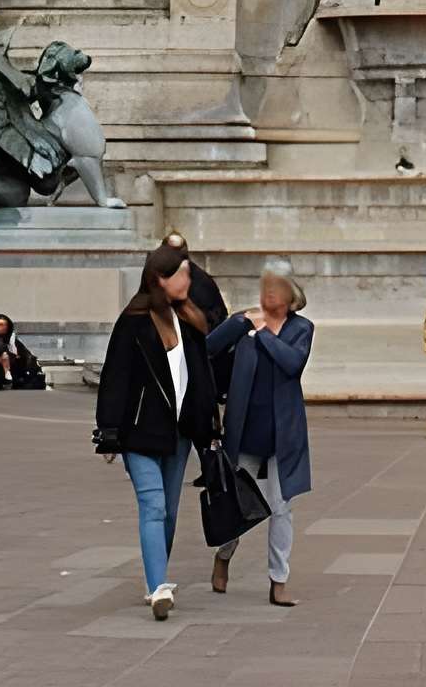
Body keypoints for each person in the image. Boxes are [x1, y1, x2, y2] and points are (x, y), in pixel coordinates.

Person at [94, 243, 215, 619]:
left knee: (170, 513)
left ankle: (155, 575)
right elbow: (115, 378)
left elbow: (200, 382)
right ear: (159, 278)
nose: (188, 279)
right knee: (154, 505)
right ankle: (158, 586)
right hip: (139, 432)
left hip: (178, 435)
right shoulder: (133, 321)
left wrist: (210, 428)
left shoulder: (189, 321)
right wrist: (109, 432)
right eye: (181, 273)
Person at [207, 262, 315, 606]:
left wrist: (264, 333)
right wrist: (240, 324)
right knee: (236, 504)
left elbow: (292, 363)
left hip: (283, 435)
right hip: (245, 430)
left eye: (276, 287)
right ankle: (223, 557)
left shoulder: (302, 328)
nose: (268, 293)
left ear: (291, 294)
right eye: (265, 286)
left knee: (281, 508)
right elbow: (208, 348)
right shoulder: (244, 321)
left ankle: (278, 580)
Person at [0, 312, 49, 391]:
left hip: (17, 378)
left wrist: (15, 357)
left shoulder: (15, 343)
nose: (1, 328)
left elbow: (27, 359)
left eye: (4, 325)